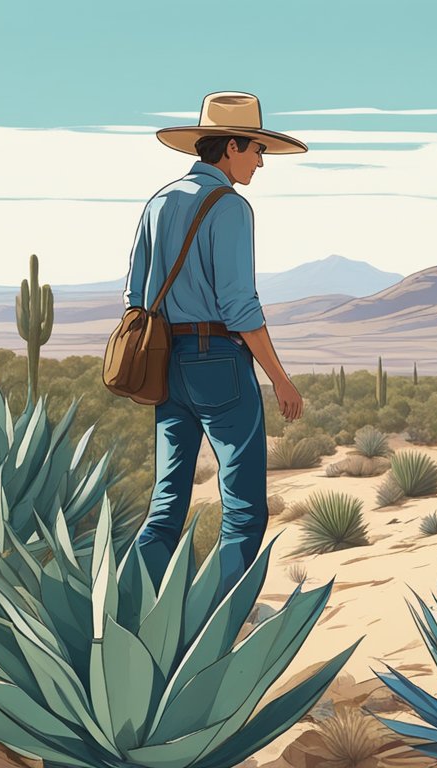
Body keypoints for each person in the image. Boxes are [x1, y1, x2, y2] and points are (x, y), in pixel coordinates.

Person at [123, 91, 305, 601]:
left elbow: (135, 293)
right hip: (218, 361)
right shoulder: (229, 207)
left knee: (166, 502)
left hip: (164, 362)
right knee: (244, 505)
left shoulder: (158, 201)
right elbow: (239, 305)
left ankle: (127, 613)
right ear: (230, 147)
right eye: (255, 151)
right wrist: (279, 377)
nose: (261, 163)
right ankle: (216, 620)